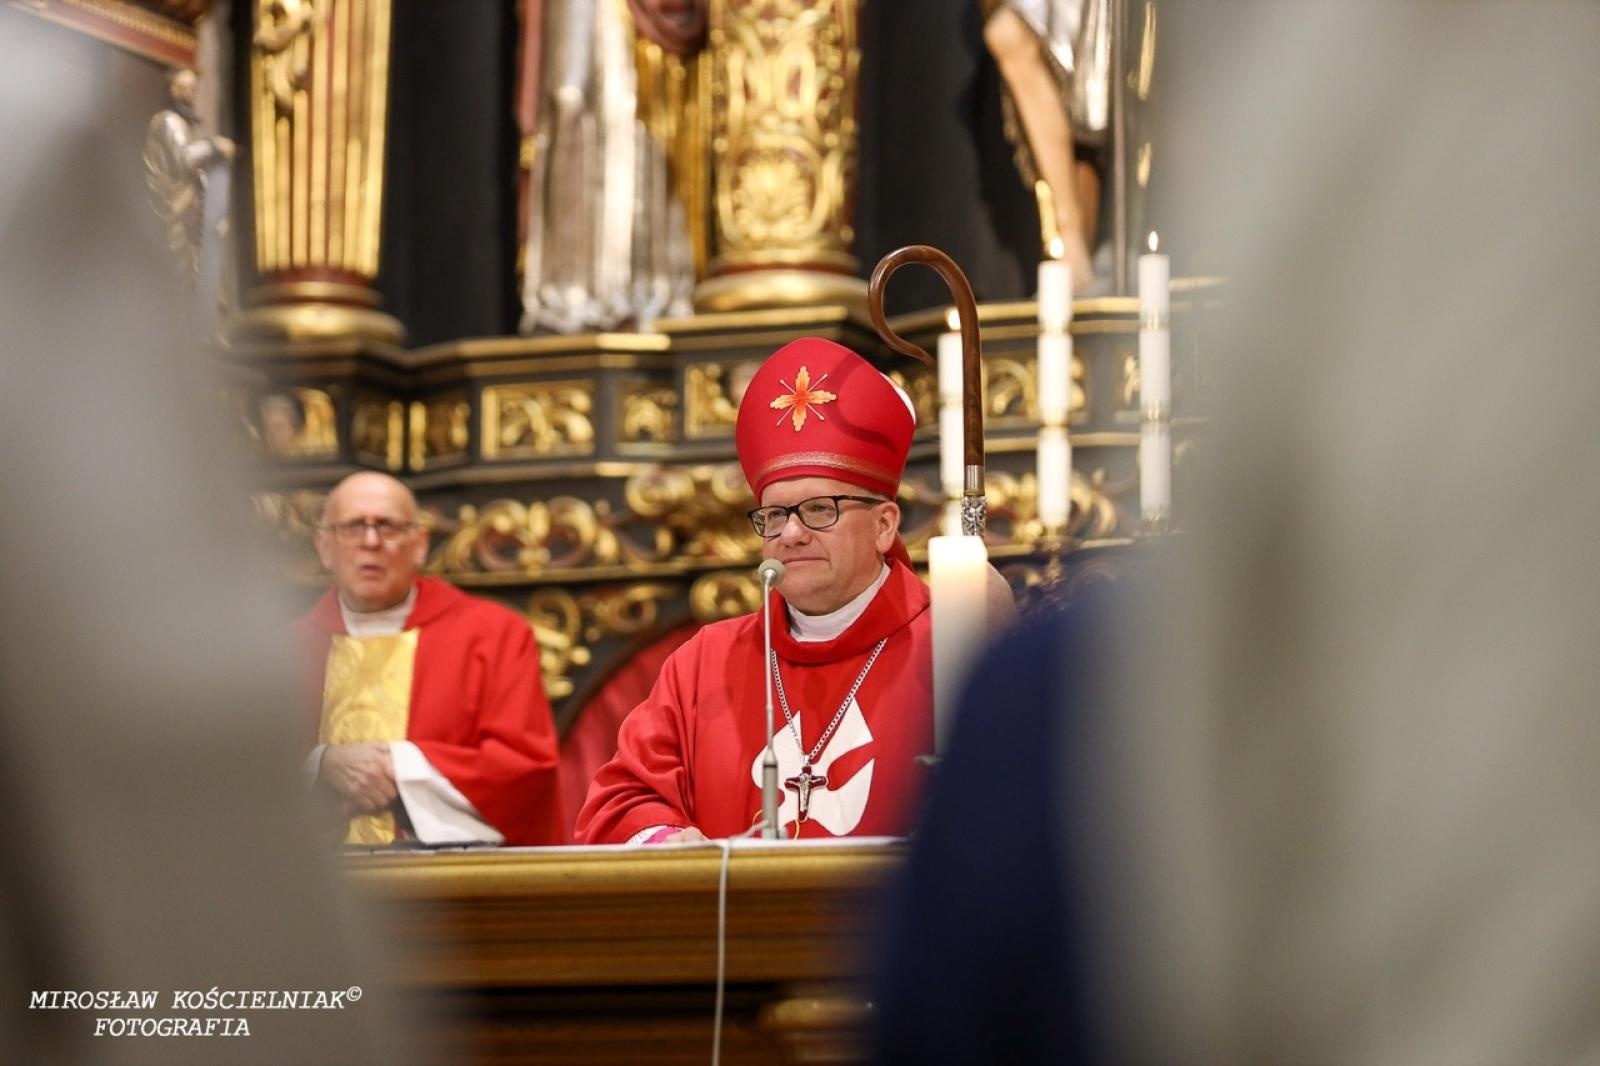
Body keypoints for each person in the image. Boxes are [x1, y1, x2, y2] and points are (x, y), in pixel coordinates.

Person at [576, 337, 940, 843]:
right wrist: (668, 845)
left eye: (820, 509)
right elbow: (620, 805)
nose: (791, 533)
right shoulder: (704, 663)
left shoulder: (947, 645)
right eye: (774, 516)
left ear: (884, 525)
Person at [299, 471, 561, 846]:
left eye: (388, 527)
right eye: (353, 527)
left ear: (419, 543)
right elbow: (234, 775)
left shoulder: (493, 635)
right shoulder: (279, 649)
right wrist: (322, 765)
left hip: (452, 885)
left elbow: (526, 769)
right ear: (324, 546)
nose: (371, 541)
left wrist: (397, 764)